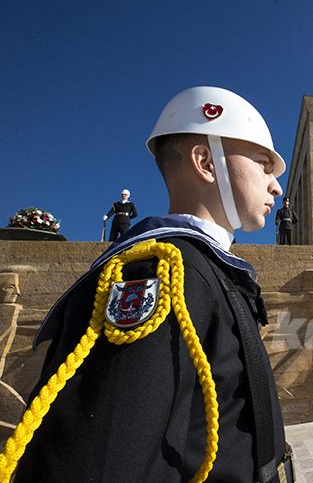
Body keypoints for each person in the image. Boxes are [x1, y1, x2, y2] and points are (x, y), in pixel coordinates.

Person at [7, 87, 294, 483]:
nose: (277, 187)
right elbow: (109, 458)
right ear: (206, 162)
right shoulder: (158, 272)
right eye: (264, 165)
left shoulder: (202, 267)